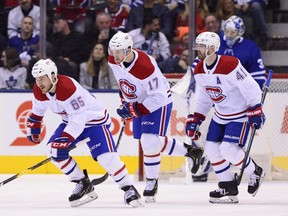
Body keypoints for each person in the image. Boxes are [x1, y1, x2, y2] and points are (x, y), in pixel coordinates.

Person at [26, 58, 144, 207]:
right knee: (52, 150)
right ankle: (82, 182)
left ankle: (129, 188)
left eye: (42, 78)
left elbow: (79, 118)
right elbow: (38, 111)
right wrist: (34, 126)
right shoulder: (39, 90)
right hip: (71, 121)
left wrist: (66, 139)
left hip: (94, 121)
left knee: (106, 158)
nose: (39, 83)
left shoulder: (68, 88)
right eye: (37, 79)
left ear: (53, 76)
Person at [108, 31, 204, 203]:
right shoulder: (114, 59)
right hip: (138, 101)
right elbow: (123, 83)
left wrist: (134, 109)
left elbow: (158, 97)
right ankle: (191, 151)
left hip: (158, 102)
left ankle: (152, 181)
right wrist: (125, 101)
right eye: (112, 50)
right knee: (149, 142)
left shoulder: (144, 67)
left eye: (118, 51)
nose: (114, 55)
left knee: (149, 141)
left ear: (129, 49)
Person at [186, 31, 266, 203]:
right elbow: (203, 98)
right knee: (212, 150)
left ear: (212, 48)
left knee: (228, 150)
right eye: (197, 45)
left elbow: (251, 87)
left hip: (239, 115)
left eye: (201, 46)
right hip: (220, 115)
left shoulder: (230, 64)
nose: (197, 49)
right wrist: (196, 118)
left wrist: (255, 109)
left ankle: (255, 171)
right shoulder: (199, 69)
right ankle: (228, 186)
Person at [218, 15, 266, 88]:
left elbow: (258, 74)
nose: (229, 35)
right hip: (217, 89)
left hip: (240, 91)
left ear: (240, 31)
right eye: (227, 31)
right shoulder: (215, 42)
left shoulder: (251, 47)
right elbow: (199, 64)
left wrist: (253, 90)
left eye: (233, 32)